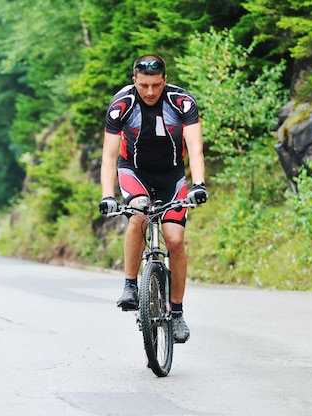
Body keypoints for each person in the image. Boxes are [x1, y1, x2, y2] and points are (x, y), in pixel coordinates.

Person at [98, 54, 208, 343]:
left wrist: (198, 184)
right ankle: (130, 285)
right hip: (134, 170)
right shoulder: (122, 104)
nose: (150, 91)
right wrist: (107, 195)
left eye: (156, 85)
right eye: (144, 85)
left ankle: (177, 313)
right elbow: (108, 158)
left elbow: (195, 148)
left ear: (165, 81)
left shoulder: (182, 102)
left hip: (171, 175)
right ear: (135, 81)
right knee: (138, 214)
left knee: (175, 240)